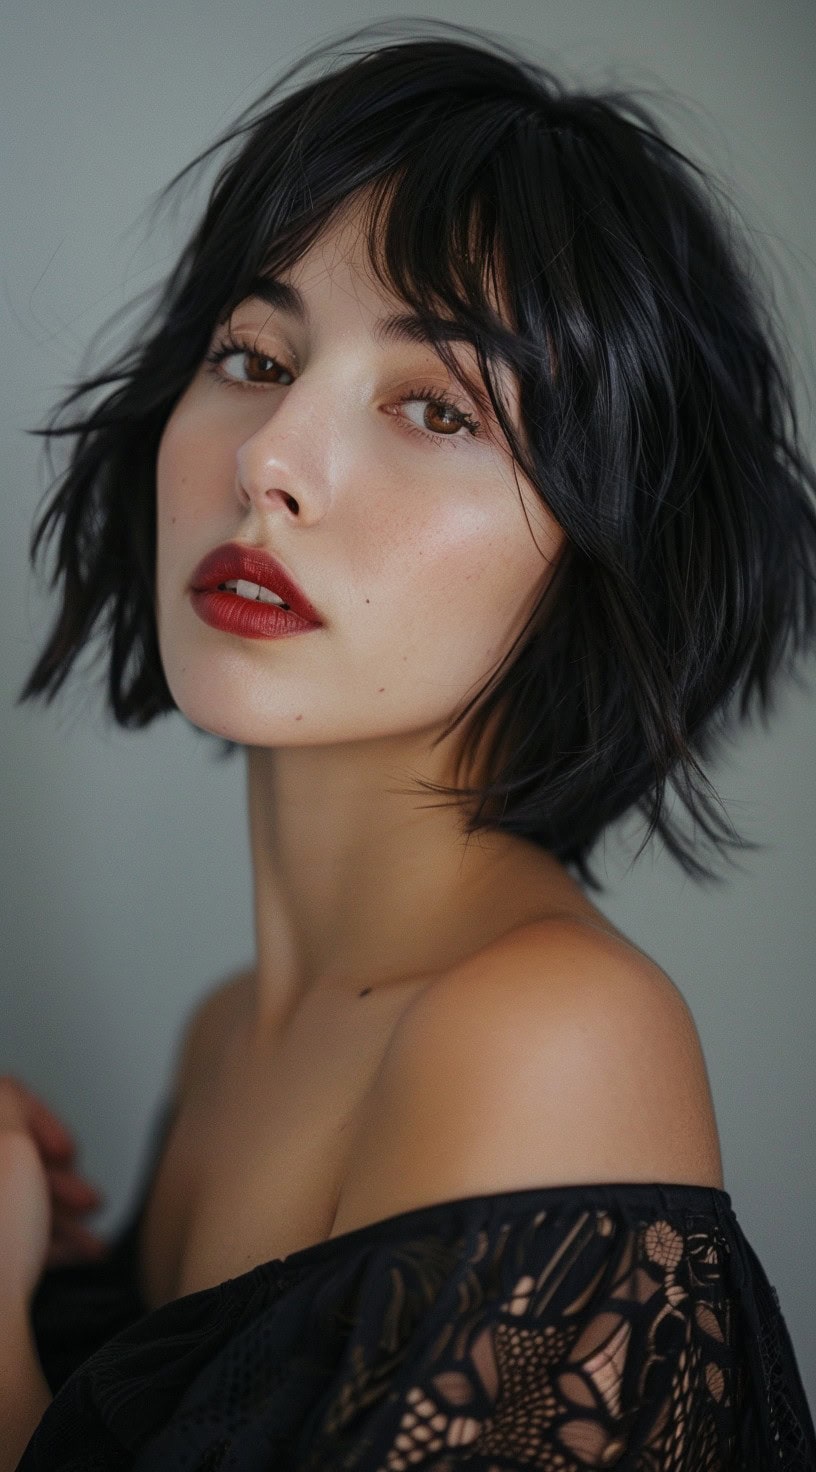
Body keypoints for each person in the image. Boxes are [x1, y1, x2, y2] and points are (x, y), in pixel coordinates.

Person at [5, 19, 816, 1469]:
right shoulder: (229, 1034)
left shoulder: (551, 1042)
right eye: (252, 356)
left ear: (594, 550)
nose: (270, 461)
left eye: (435, 406)